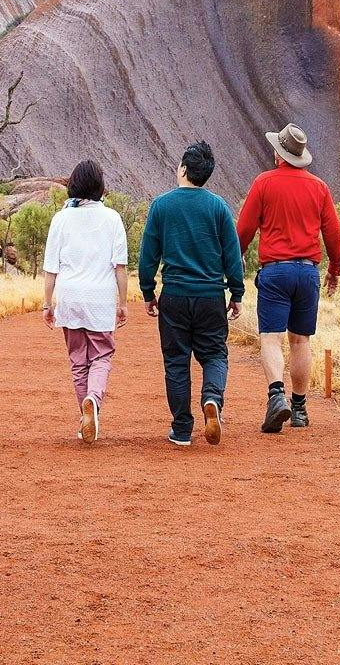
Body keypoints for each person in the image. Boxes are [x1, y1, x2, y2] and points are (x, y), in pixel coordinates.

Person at [236, 122, 340, 434]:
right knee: (300, 340)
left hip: (275, 271)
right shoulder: (320, 188)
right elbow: (334, 235)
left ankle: (275, 397)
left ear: (278, 153)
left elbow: (243, 229)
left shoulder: (264, 183)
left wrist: (237, 257)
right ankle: (299, 408)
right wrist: (334, 272)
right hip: (307, 272)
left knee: (271, 337)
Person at [138, 141, 244, 447]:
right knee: (214, 355)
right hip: (211, 296)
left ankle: (182, 429)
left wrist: (148, 291)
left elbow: (148, 256)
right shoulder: (219, 208)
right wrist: (236, 293)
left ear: (184, 168)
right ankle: (212, 398)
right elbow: (232, 256)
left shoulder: (161, 205)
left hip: (174, 296)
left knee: (176, 361)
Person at [41, 159, 130, 445]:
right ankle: (93, 400)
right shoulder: (113, 219)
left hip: (69, 297)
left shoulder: (60, 219)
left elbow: (50, 268)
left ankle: (85, 415)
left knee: (78, 361)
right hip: (100, 299)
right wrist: (123, 303)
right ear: (101, 187)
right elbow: (120, 267)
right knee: (101, 356)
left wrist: (46, 304)